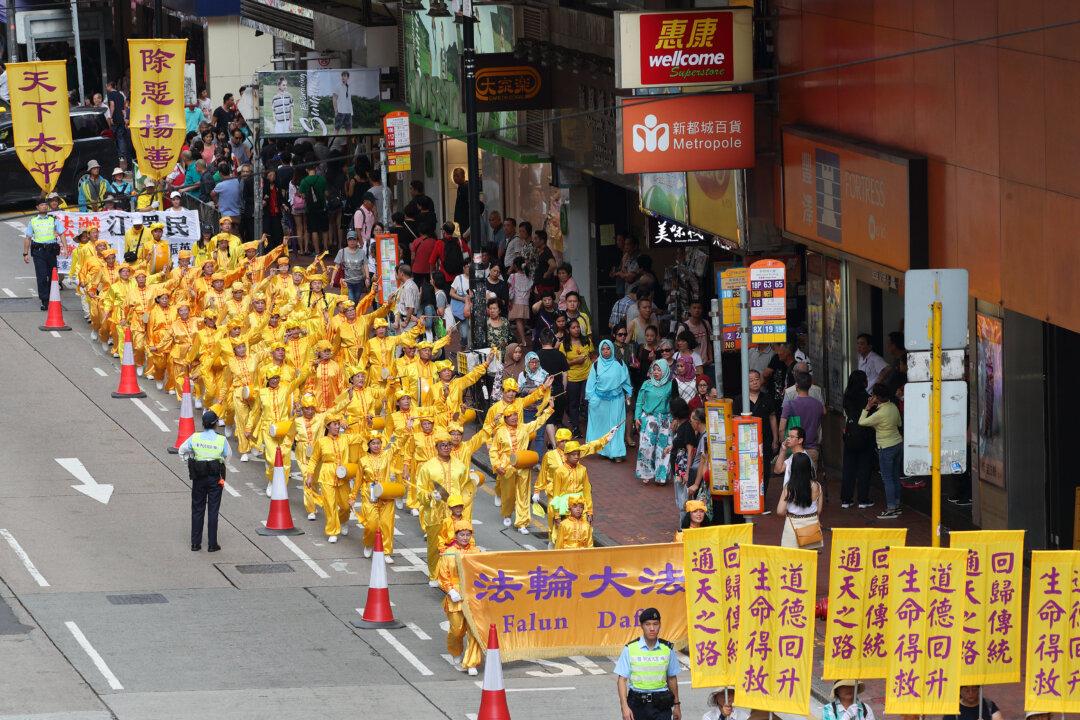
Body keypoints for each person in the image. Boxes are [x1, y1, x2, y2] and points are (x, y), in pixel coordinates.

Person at [614, 607, 682, 720]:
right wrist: (624, 707)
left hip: (661, 705)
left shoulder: (667, 649)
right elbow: (622, 680)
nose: (652, 628)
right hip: (637, 704)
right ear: (641, 626)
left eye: (655, 624)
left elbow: (672, 678)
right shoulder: (630, 648)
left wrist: (677, 706)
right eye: (648, 624)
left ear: (660, 625)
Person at [177, 410, 231, 552]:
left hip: (199, 477)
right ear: (216, 424)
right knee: (213, 510)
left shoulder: (195, 437)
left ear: (203, 424)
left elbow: (181, 450)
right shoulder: (221, 440)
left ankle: (195, 544)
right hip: (215, 478)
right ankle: (212, 544)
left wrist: (190, 463)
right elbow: (227, 456)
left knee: (197, 509)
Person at [436, 520, 482, 675]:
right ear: (455, 535)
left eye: (468, 534)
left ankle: (471, 663)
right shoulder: (448, 553)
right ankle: (455, 651)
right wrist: (450, 590)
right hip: (455, 596)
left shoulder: (476, 552)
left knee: (474, 631)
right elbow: (443, 575)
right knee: (457, 631)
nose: (465, 537)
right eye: (462, 534)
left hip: (473, 595)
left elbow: (482, 572)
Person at [859, 382, 904, 519]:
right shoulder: (893, 407)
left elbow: (861, 422)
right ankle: (897, 505)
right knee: (895, 476)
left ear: (877, 397)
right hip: (898, 444)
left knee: (887, 478)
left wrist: (867, 407)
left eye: (873, 395)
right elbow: (899, 423)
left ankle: (891, 508)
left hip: (886, 447)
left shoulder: (880, 413)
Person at [586, 339, 633, 462]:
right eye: (603, 349)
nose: (606, 351)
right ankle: (605, 451)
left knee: (616, 426)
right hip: (601, 401)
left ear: (612, 349)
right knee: (603, 427)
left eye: (608, 348)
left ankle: (617, 453)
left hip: (617, 399)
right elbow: (590, 384)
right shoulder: (596, 365)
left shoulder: (619, 363)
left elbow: (626, 381)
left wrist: (628, 394)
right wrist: (592, 399)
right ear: (600, 351)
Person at [841, 371, 876, 509]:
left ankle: (846, 499)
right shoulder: (868, 399)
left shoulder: (847, 397)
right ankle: (863, 499)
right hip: (865, 434)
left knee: (848, 467)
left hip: (850, 433)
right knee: (864, 468)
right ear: (863, 382)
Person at [635, 359, 674, 485]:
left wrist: (674, 419)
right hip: (648, 418)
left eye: (659, 370)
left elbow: (673, 403)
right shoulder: (647, 384)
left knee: (663, 448)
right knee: (646, 446)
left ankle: (661, 476)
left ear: (665, 371)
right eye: (654, 369)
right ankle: (646, 472)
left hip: (665, 420)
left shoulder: (670, 385)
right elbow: (639, 402)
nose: (656, 372)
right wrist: (637, 417)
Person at [776, 452, 823, 549]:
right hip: (812, 527)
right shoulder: (817, 486)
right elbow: (818, 510)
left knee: (791, 557)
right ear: (809, 467)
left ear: (793, 468)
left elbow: (780, 511)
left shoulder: (789, 488)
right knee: (810, 557)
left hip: (792, 526)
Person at [23, 199, 63, 310]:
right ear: (37, 207)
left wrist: (65, 247)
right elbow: (28, 238)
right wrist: (25, 253)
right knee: (42, 276)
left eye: (45, 205)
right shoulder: (33, 221)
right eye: (42, 205)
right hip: (39, 252)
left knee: (52, 276)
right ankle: (44, 300)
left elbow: (62, 234)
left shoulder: (53, 219)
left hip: (51, 251)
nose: (44, 206)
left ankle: (52, 297)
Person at [780, 372, 826, 468]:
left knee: (793, 476)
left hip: (794, 449)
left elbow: (781, 428)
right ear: (810, 385)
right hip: (812, 449)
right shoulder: (818, 405)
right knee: (810, 476)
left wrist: (783, 445)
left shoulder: (790, 405)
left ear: (796, 386)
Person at [562, 317, 594, 434]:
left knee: (587, 401)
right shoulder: (564, 345)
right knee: (573, 403)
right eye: (573, 327)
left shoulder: (587, 341)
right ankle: (575, 427)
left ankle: (590, 425)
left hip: (588, 376)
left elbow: (592, 356)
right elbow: (562, 363)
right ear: (568, 330)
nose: (576, 329)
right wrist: (575, 361)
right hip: (573, 378)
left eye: (578, 327)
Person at [669, 398, 699, 511]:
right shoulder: (681, 426)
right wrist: (670, 447)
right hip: (678, 468)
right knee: (680, 499)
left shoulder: (686, 428)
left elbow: (690, 451)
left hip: (682, 469)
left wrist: (687, 473)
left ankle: (685, 522)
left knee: (683, 501)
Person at [334, 231, 367, 302]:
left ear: (357, 241)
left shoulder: (362, 252)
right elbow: (336, 266)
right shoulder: (342, 252)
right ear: (347, 241)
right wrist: (332, 279)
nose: (352, 241)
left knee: (356, 301)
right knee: (350, 301)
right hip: (347, 282)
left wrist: (367, 278)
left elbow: (365, 265)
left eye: (354, 239)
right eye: (350, 239)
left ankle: (354, 309)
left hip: (359, 281)